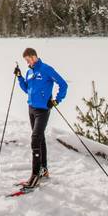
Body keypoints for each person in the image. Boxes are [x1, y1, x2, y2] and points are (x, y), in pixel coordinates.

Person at [14, 48, 68, 188]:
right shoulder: (29, 72)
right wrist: (20, 77)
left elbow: (63, 84)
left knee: (35, 139)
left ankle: (35, 175)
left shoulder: (46, 69)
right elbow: (27, 89)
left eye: (30, 58)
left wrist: (56, 100)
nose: (29, 62)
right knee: (40, 138)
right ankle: (43, 170)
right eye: (27, 60)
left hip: (43, 110)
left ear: (36, 56)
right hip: (31, 108)